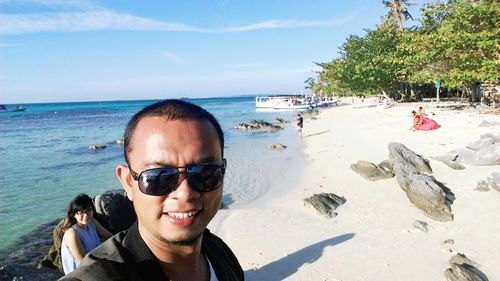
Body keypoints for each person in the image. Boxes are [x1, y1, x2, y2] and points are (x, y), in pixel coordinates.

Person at [60, 100, 244, 280]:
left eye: (205, 172)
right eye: (159, 177)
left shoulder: (219, 253)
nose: (185, 193)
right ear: (128, 183)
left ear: (223, 171)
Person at [60, 193, 112, 274]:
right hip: (81, 274)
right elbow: (84, 261)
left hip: (96, 266)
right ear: (74, 215)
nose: (86, 215)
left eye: (88, 210)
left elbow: (110, 237)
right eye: (81, 212)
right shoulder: (72, 233)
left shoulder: (92, 223)